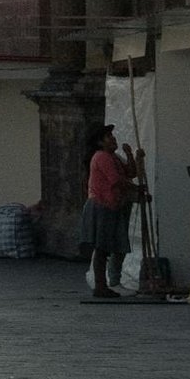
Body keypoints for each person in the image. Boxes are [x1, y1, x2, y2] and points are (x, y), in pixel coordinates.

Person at [81, 127, 135, 300]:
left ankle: (106, 284)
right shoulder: (102, 157)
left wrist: (131, 155)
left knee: (109, 246)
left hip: (112, 206)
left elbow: (131, 173)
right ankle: (101, 286)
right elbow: (116, 180)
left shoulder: (113, 158)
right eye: (108, 137)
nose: (113, 139)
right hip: (102, 206)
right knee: (102, 247)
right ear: (100, 142)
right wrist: (137, 189)